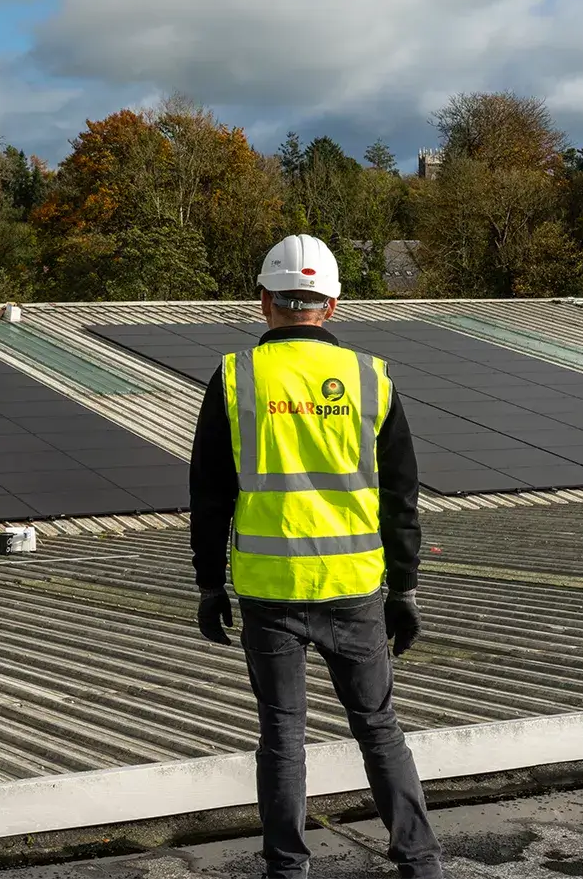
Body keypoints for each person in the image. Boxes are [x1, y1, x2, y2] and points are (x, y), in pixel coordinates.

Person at [190, 234, 442, 879]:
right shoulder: (371, 377)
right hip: (354, 587)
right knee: (378, 728)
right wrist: (406, 587)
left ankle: (287, 870)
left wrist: (209, 585)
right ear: (331, 305)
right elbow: (401, 496)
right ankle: (420, 864)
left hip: (268, 591)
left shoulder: (236, 376)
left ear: (264, 301)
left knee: (282, 736)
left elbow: (210, 495)